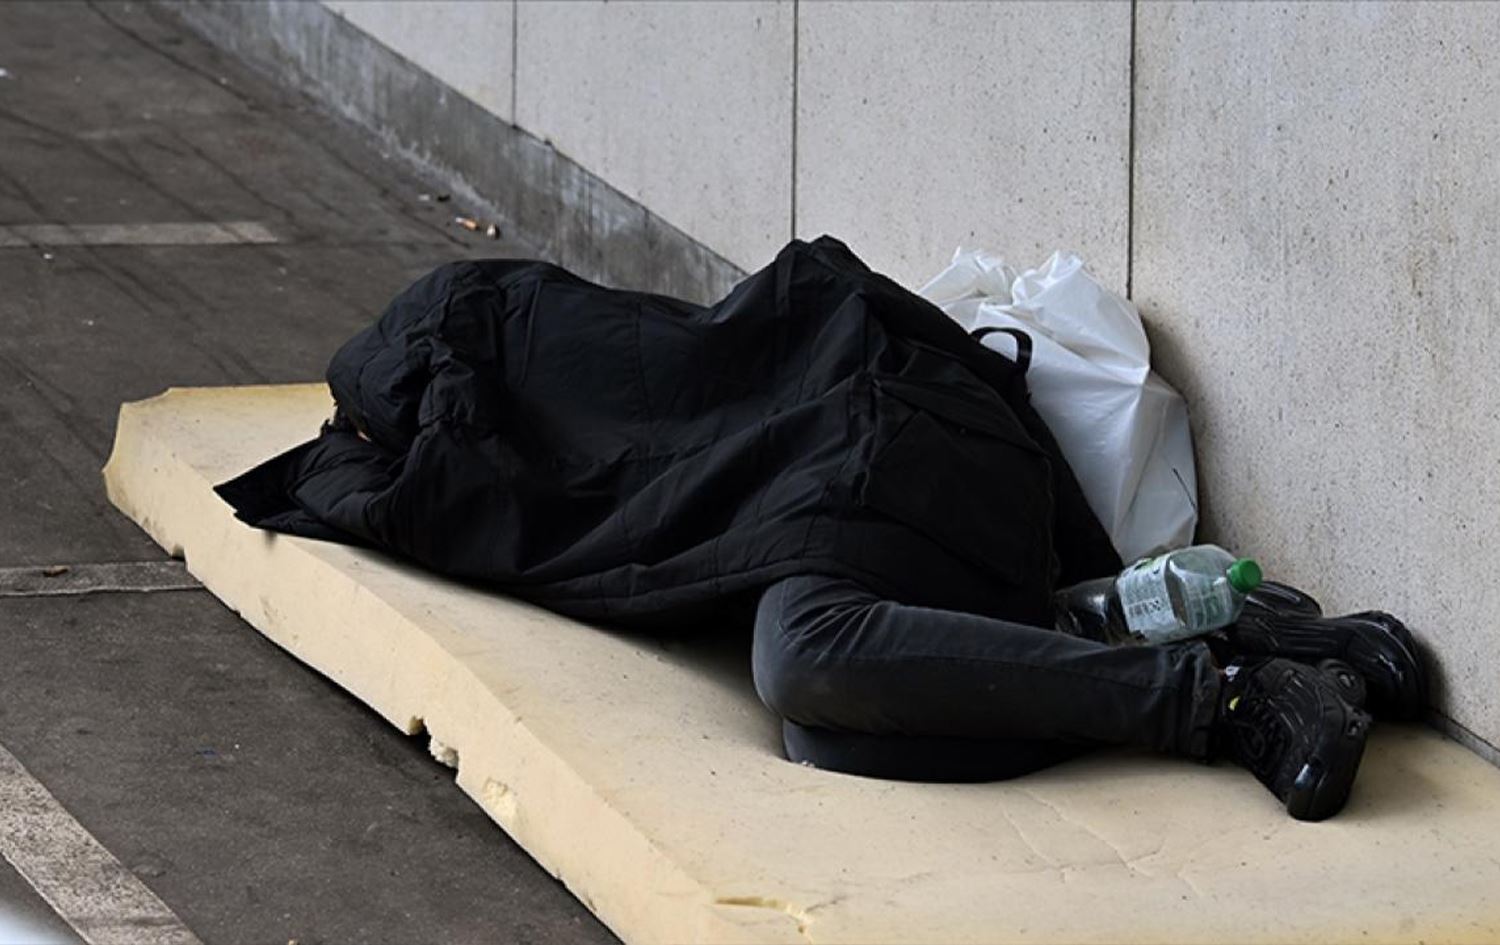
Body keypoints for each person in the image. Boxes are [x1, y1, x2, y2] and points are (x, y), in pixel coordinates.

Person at [216, 237, 1424, 823]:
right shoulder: (547, 396)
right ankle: (1250, 646)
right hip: (846, 505)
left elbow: (431, 491)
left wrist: (1096, 561)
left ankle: (1221, 699)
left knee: (807, 667)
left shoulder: (539, 369)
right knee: (829, 736)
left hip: (886, 457)